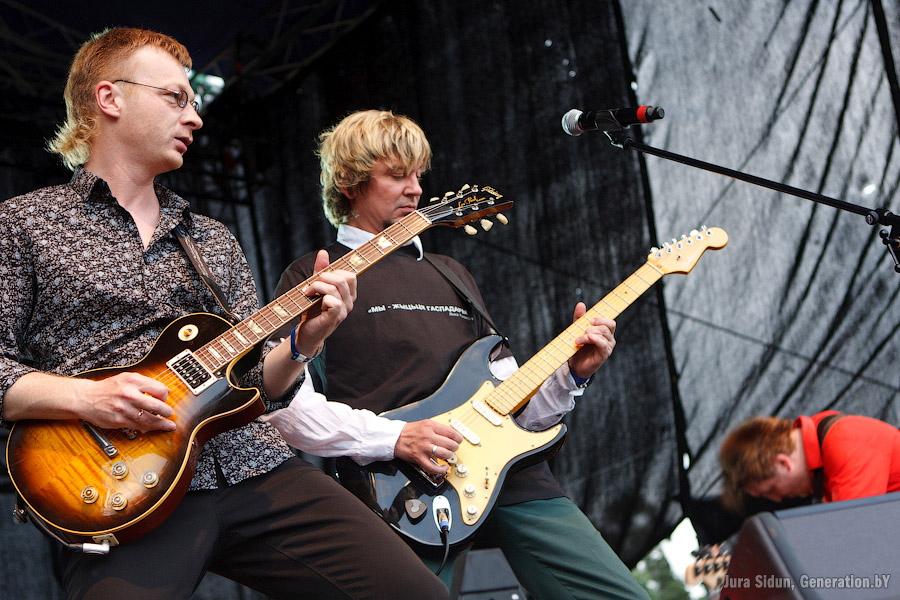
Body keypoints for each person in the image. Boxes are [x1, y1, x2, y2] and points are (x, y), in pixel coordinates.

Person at [0, 29, 448, 600]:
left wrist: (305, 342)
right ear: (110, 98)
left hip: (253, 466)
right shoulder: (24, 225)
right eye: (176, 98)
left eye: (194, 102)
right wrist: (89, 398)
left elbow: (262, 384)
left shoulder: (211, 239)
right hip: (118, 486)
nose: (195, 118)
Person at [262, 109, 650, 600]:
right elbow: (286, 410)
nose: (416, 189)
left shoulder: (452, 272)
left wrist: (570, 376)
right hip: (401, 492)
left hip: (513, 479)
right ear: (348, 182)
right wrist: (397, 438)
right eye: (397, 175)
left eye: (418, 175)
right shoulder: (313, 276)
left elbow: (515, 407)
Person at [719, 410, 900, 511]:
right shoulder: (822, 444)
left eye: (771, 489)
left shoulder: (845, 443)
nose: (777, 498)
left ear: (782, 463)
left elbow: (855, 543)